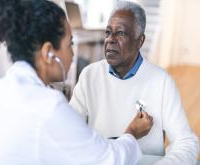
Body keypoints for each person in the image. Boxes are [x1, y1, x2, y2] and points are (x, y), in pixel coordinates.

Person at [0, 0, 154, 164]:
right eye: (70, 44)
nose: (72, 55)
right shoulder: (49, 108)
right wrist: (132, 132)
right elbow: (108, 160)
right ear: (48, 53)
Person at [70, 1, 199, 164]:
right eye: (108, 32)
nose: (110, 39)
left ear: (140, 41)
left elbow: (186, 142)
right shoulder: (89, 75)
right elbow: (69, 132)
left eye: (121, 33)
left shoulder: (162, 81)